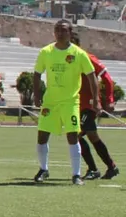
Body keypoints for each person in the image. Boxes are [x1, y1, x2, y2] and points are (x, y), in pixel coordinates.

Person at [32, 19, 96, 185]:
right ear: (54, 33)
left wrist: (96, 99)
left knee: (72, 136)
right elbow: (37, 74)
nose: (60, 33)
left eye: (64, 30)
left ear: (70, 33)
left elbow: (91, 76)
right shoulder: (46, 52)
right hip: (50, 102)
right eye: (57, 30)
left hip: (70, 102)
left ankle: (76, 174)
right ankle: (43, 169)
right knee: (42, 135)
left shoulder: (79, 54)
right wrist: (37, 95)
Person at [71, 31, 119, 181]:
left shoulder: (88, 57)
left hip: (89, 105)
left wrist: (109, 99)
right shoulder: (67, 60)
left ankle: (93, 169)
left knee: (76, 135)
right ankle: (111, 167)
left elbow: (107, 77)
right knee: (92, 136)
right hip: (75, 105)